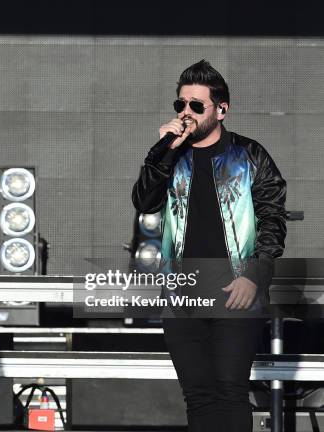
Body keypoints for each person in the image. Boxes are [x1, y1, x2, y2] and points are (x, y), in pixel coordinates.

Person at [132, 60, 286, 431]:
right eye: (181, 105)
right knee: (197, 394)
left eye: (196, 106)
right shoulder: (171, 156)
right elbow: (144, 202)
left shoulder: (250, 155)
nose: (186, 113)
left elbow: (272, 219)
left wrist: (255, 276)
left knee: (230, 391)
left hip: (235, 288)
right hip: (183, 292)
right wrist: (162, 150)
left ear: (221, 109)